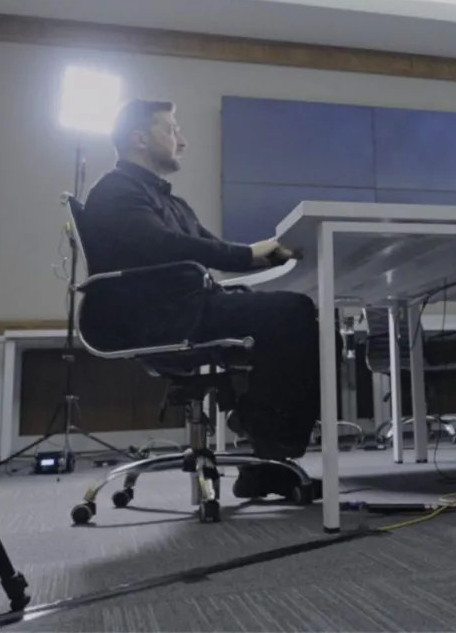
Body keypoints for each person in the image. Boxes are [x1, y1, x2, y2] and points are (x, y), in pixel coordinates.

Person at [80, 99, 320, 498]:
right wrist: (249, 253)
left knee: (312, 321)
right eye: (171, 130)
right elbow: (166, 246)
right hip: (162, 317)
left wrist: (270, 252)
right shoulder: (116, 191)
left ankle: (264, 452)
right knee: (294, 312)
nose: (183, 140)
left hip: (186, 308)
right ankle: (268, 451)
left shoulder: (170, 201)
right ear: (139, 138)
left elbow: (212, 248)